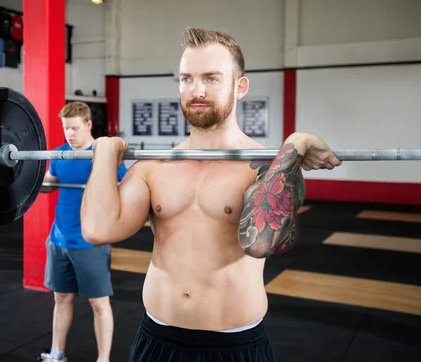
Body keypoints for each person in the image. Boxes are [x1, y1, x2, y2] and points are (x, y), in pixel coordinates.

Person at [80, 27, 342, 361]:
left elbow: (263, 243)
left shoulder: (263, 167)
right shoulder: (153, 166)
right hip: (156, 341)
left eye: (211, 78)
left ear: (240, 86)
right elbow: (98, 229)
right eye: (186, 78)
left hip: (234, 345)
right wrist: (103, 153)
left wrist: (297, 143)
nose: (197, 90)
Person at [39, 101, 127, 362]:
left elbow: (121, 187)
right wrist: (27, 178)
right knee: (61, 297)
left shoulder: (105, 155)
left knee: (99, 304)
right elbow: (47, 185)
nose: (70, 134)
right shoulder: (59, 154)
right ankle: (57, 353)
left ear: (88, 124)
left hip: (91, 241)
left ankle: (103, 360)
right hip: (59, 239)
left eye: (75, 128)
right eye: (66, 128)